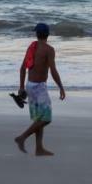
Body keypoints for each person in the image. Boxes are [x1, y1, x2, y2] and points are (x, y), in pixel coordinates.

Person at [14, 22, 65, 156]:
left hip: (29, 85)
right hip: (39, 87)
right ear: (48, 35)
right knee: (46, 119)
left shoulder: (32, 47)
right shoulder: (49, 50)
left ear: (36, 34)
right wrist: (61, 87)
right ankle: (22, 137)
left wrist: (21, 87)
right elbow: (53, 71)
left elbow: (22, 68)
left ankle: (39, 148)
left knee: (38, 119)